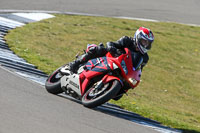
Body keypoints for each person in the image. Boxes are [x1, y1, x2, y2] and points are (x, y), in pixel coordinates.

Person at [69, 27, 154, 73]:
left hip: (121, 68)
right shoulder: (127, 40)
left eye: (148, 43)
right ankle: (76, 63)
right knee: (97, 49)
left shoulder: (144, 57)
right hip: (110, 58)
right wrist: (111, 47)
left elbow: (138, 71)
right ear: (138, 38)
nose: (145, 45)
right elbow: (111, 43)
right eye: (144, 41)